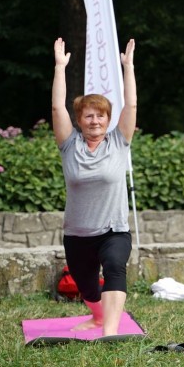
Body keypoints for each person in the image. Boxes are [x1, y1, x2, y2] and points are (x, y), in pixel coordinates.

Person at [51, 37, 137, 336]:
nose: (95, 120)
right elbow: (56, 106)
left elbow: (132, 104)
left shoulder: (118, 141)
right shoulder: (69, 145)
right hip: (78, 233)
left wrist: (128, 68)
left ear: (108, 119)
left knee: (115, 266)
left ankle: (110, 332)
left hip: (114, 229)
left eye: (101, 115)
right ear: (80, 120)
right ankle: (99, 317)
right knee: (86, 286)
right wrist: (60, 67)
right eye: (89, 115)